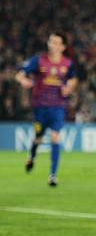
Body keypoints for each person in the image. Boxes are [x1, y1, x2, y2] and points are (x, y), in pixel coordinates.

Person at [15, 32, 77, 187]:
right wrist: (23, 80)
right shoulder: (38, 60)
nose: (53, 45)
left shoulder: (68, 64)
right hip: (40, 107)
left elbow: (73, 79)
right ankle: (32, 156)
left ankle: (53, 175)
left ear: (62, 47)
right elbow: (19, 75)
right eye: (51, 42)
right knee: (39, 137)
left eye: (57, 43)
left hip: (58, 107)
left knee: (55, 137)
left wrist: (69, 87)